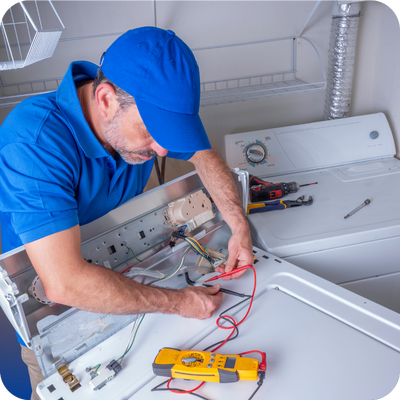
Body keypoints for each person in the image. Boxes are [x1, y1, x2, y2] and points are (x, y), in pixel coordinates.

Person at [0, 27, 253, 399]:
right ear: (105, 99)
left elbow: (202, 154)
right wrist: (179, 302)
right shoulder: (35, 143)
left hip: (128, 283)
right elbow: (63, 283)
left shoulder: (128, 121)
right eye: (152, 131)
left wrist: (237, 224)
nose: (164, 149)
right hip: (53, 310)